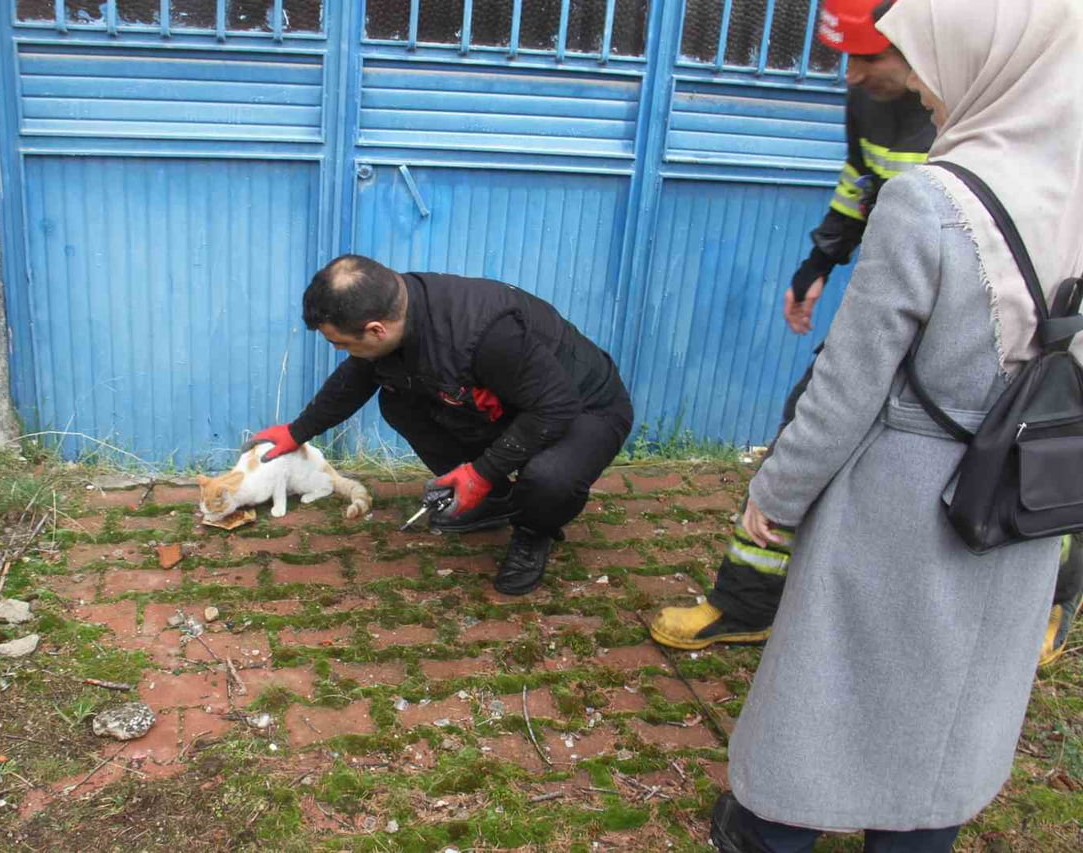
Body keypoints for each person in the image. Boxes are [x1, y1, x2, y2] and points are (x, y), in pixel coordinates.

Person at [711, 0, 1083, 850]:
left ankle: (768, 830)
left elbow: (849, 381)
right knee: (957, 697)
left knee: (829, 685)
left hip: (907, 493)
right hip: (1026, 496)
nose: (918, 84)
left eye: (928, 63)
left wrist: (777, 494)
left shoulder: (931, 199)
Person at [649, 0, 1083, 667]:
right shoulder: (881, 105)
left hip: (1024, 346)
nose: (853, 77)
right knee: (813, 419)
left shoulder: (1009, 112)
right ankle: (748, 600)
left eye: (869, 57)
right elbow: (860, 185)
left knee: (1041, 456)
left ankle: (1049, 599)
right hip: (909, 318)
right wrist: (820, 260)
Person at [249, 255, 633, 595]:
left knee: (549, 478)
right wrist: (297, 432)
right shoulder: (395, 305)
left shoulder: (485, 332)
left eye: (342, 344)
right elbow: (358, 376)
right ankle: (496, 502)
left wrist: (480, 472)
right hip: (518, 403)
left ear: (376, 330)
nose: (341, 352)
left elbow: (554, 409)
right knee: (399, 401)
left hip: (584, 408)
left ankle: (534, 531)